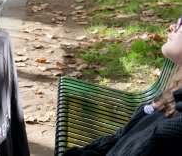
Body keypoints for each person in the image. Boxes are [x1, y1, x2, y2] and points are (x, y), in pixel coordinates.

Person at [64, 17, 182, 155]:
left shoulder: (171, 131)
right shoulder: (174, 93)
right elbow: (121, 137)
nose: (173, 26)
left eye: (181, 23)